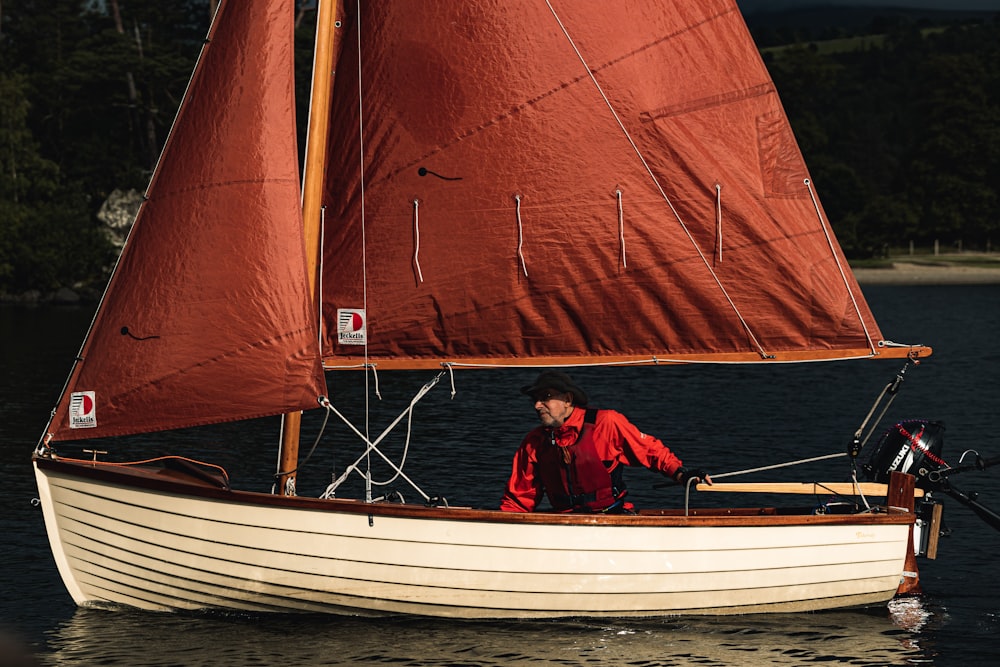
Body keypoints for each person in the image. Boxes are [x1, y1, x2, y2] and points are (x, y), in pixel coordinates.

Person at [500, 370, 711, 513]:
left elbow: (649, 451)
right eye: (534, 399)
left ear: (568, 400)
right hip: (563, 523)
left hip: (611, 519)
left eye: (545, 397)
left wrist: (681, 473)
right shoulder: (534, 442)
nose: (537, 405)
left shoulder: (605, 423)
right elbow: (519, 498)